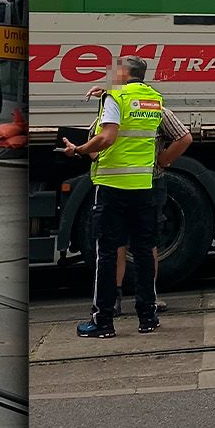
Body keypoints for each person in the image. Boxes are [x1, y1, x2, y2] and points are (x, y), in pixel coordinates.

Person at [65, 55, 167, 338]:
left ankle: (103, 321)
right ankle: (148, 317)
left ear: (123, 72)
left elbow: (108, 137)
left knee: (108, 253)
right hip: (143, 186)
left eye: (114, 69)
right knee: (145, 252)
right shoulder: (153, 98)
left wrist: (79, 150)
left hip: (112, 187)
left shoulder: (115, 97)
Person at [88, 87, 192, 317]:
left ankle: (116, 301)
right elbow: (184, 136)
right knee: (146, 244)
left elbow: (94, 142)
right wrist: (163, 161)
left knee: (118, 243)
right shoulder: (153, 109)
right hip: (147, 183)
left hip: (119, 183)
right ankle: (146, 304)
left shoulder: (116, 109)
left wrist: (85, 152)